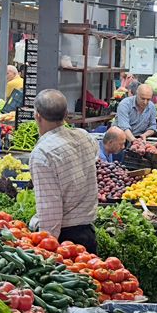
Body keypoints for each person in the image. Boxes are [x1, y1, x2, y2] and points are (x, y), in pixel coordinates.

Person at [29, 90, 101, 251]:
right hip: (88, 234)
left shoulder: (43, 153)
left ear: (37, 116)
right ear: (66, 114)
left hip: (64, 241)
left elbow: (50, 209)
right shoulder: (84, 137)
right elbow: (95, 155)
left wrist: (46, 249)